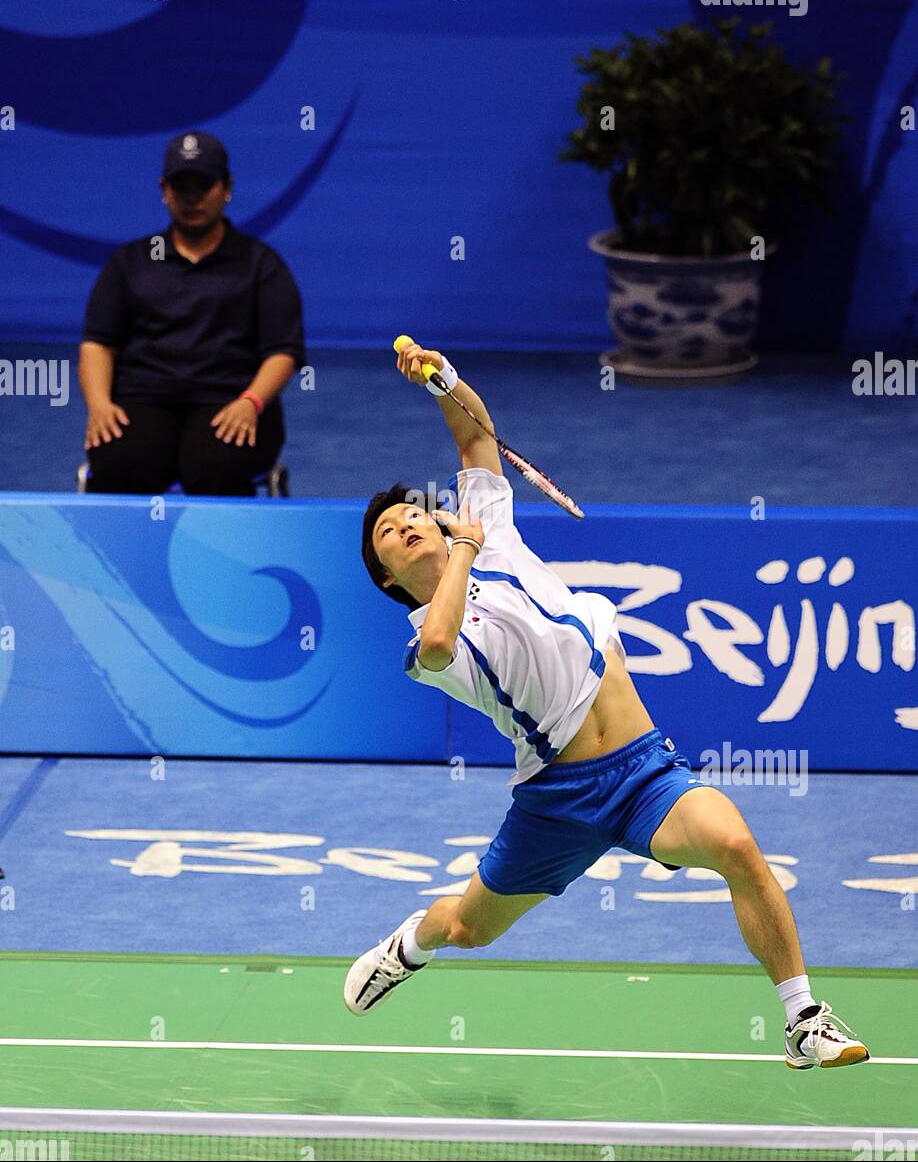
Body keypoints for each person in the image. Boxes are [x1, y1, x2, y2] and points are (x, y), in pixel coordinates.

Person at [348, 340, 870, 1073]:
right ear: (388, 577)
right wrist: (462, 548)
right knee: (468, 927)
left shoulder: (488, 530)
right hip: (557, 800)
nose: (406, 524)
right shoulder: (425, 634)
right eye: (388, 534)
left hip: (644, 773)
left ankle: (802, 1018)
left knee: (739, 847)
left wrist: (443, 378)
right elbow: (440, 643)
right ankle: (409, 947)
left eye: (412, 514)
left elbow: (472, 434)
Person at [78, 131, 305, 496]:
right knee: (121, 459)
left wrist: (252, 402)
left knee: (217, 465)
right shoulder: (130, 261)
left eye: (204, 184)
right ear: (164, 189)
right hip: (143, 398)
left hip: (231, 399)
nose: (192, 196)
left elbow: (283, 350)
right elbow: (97, 344)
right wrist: (100, 405)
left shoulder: (261, 264)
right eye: (181, 185)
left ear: (227, 187)